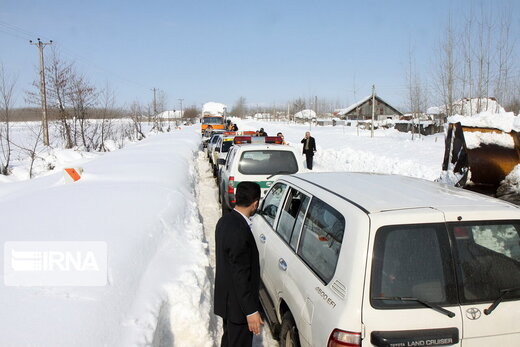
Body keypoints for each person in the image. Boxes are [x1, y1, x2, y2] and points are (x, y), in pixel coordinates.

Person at [214, 182, 264, 347]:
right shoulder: (239, 232)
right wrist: (250, 311)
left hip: (228, 303)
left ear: (236, 198)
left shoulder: (225, 220)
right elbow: (240, 274)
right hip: (239, 309)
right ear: (255, 204)